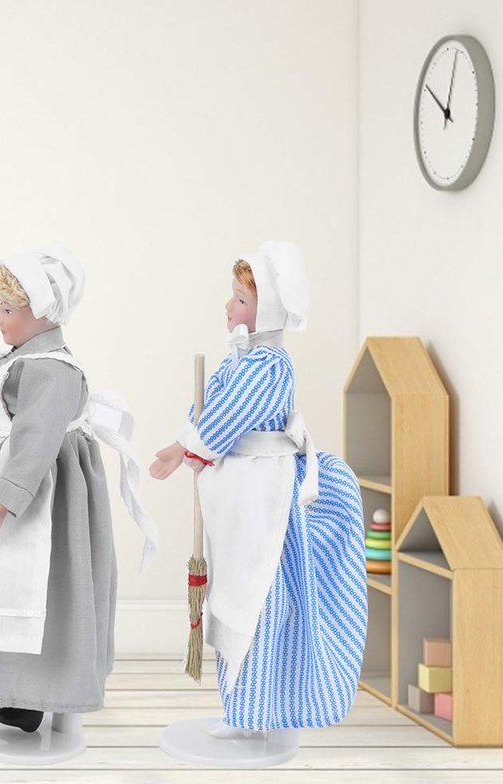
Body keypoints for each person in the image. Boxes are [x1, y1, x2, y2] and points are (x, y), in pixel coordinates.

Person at [151, 241, 366, 744]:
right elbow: (205, 414)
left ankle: (257, 709)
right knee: (238, 596)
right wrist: (187, 444)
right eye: (233, 296)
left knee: (259, 598)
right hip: (239, 493)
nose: (229, 306)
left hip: (263, 495)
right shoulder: (240, 361)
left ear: (265, 311)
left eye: (242, 300)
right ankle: (246, 709)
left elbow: (223, 419)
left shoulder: (268, 366)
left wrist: (190, 446)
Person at [0, 245, 157, 733]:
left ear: (43, 311)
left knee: (46, 586)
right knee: (18, 587)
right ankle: (20, 690)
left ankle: (42, 692)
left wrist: (4, 500)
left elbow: (38, 439)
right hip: (27, 478)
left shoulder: (50, 369)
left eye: (8, 310)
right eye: (1, 308)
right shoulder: (30, 357)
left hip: (47, 493)